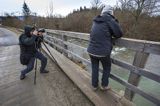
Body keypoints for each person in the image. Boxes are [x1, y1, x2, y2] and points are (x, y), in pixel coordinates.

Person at [87, 5, 123, 90]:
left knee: (94, 67)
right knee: (107, 67)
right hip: (103, 52)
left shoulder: (95, 21)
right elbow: (119, 34)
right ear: (111, 13)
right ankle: (104, 85)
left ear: (102, 12)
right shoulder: (110, 20)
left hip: (91, 50)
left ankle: (94, 86)